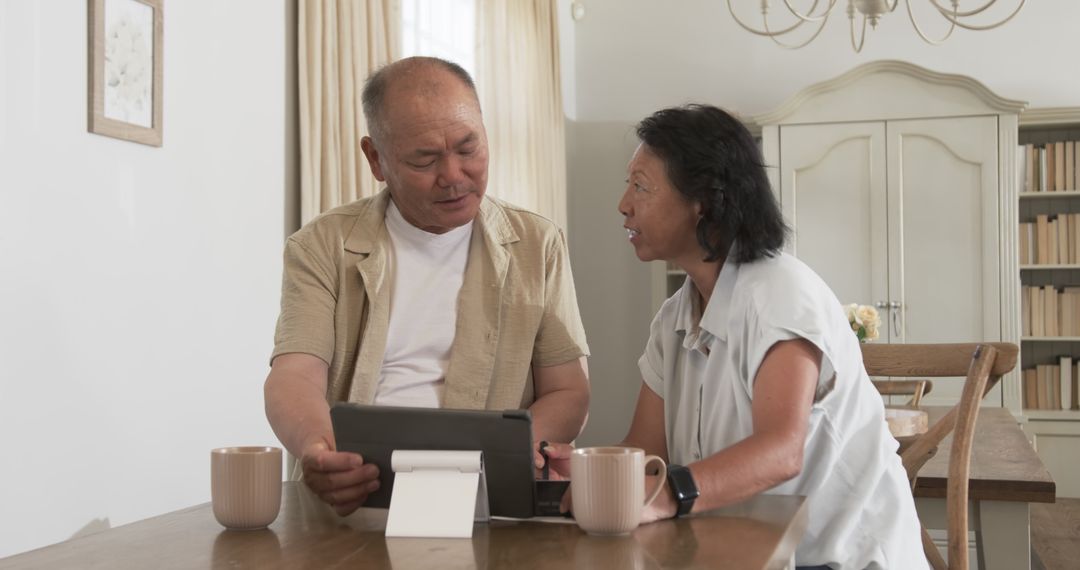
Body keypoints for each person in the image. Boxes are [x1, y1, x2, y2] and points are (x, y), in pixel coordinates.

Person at [549, 104, 927, 569]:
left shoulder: (782, 295)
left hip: (843, 560)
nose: (624, 204)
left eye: (641, 186)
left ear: (702, 200)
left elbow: (782, 451)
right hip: (752, 552)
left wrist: (670, 493)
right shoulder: (674, 318)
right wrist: (592, 474)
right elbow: (648, 450)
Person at [264, 56, 590, 516]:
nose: (454, 176)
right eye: (425, 159)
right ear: (376, 159)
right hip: (359, 501)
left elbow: (569, 391)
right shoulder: (323, 245)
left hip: (489, 501)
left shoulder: (537, 245)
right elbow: (295, 374)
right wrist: (320, 452)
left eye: (468, 148)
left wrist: (499, 454)